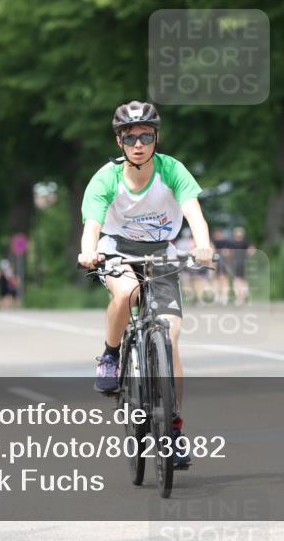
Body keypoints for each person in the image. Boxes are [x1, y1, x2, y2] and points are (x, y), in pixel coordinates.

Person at [77, 100, 212, 469]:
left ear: (156, 138)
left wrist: (203, 245)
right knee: (126, 292)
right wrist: (88, 252)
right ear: (120, 142)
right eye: (130, 137)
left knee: (170, 335)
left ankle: (172, 430)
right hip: (117, 249)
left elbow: (193, 213)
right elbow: (92, 225)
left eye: (146, 136)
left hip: (160, 253)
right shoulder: (107, 178)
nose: (139, 143)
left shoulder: (172, 170)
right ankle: (110, 354)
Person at [226, 227, 255, 306]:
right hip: (243, 263)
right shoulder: (246, 243)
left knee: (237, 281)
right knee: (243, 281)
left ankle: (240, 298)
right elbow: (252, 251)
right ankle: (244, 296)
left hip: (236, 263)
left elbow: (227, 253)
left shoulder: (232, 243)